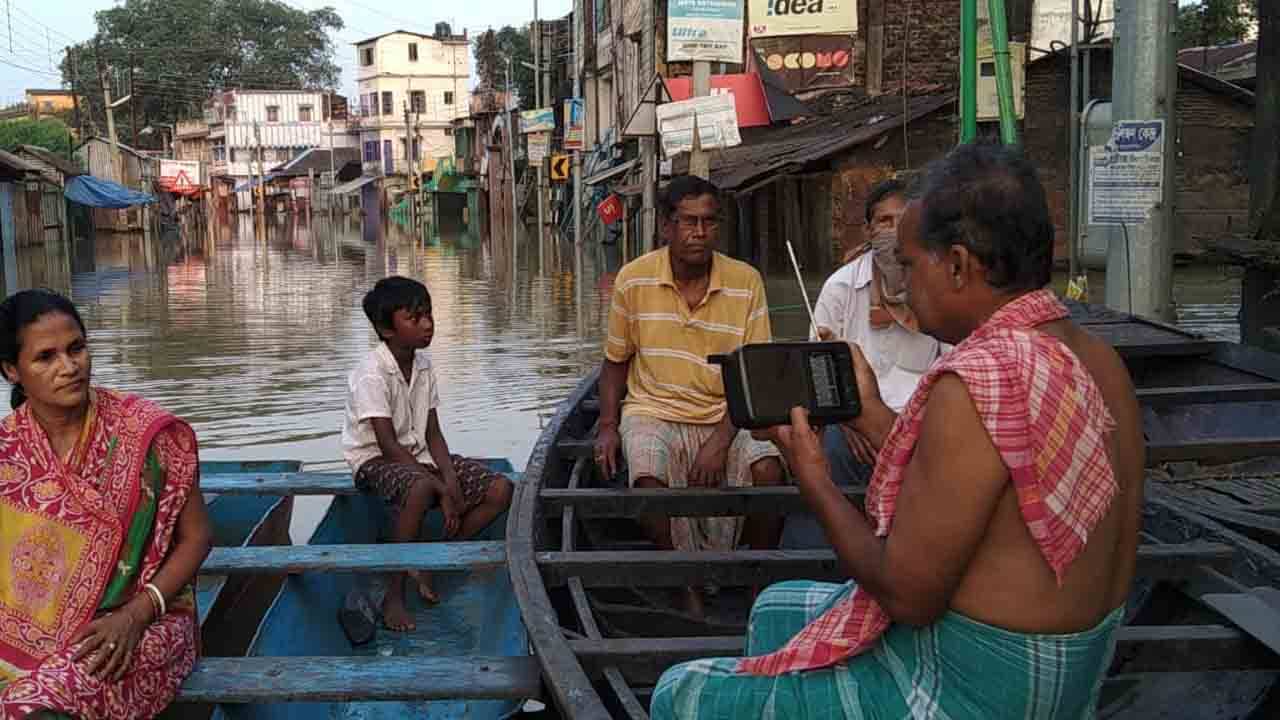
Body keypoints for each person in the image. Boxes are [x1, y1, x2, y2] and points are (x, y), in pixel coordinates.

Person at [651, 143, 1144, 718]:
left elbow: (907, 594)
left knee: (677, 692)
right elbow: (976, 482)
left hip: (975, 688)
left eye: (910, 265)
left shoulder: (978, 379)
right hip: (1068, 669)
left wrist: (817, 485)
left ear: (958, 265)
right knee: (774, 608)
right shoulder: (1098, 359)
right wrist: (868, 411)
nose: (903, 284)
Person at [0, 289, 213, 719]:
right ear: (12, 371)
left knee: (33, 706)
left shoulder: (147, 433)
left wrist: (138, 613)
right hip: (24, 622)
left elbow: (198, 537)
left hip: (143, 618)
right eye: (46, 357)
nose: (69, 367)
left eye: (76, 348)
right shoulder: (7, 448)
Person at [594, 174, 786, 618]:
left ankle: (756, 582)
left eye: (709, 223)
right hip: (653, 409)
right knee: (645, 477)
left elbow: (753, 375)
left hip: (730, 412)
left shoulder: (746, 282)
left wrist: (719, 442)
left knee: (770, 470)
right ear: (666, 226)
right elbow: (616, 361)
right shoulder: (633, 279)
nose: (700, 233)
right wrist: (607, 425)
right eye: (688, 222)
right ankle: (686, 582)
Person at [782, 178, 949, 549]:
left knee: (940, 460)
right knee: (827, 459)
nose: (892, 231)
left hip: (919, 421)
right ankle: (812, 568)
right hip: (849, 421)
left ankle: (911, 562)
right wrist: (852, 422)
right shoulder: (841, 287)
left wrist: (895, 430)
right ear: (869, 230)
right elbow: (817, 366)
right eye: (883, 222)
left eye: (900, 220)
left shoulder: (936, 289)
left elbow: (953, 370)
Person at [341, 276, 514, 632]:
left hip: (418, 456)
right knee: (420, 489)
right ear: (386, 330)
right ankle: (394, 592)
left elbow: (433, 433)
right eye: (415, 318)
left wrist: (449, 479)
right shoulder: (371, 373)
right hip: (375, 461)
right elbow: (388, 444)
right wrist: (437, 488)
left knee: (500, 489)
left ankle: (433, 560)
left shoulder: (424, 366)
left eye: (429, 314)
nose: (428, 324)